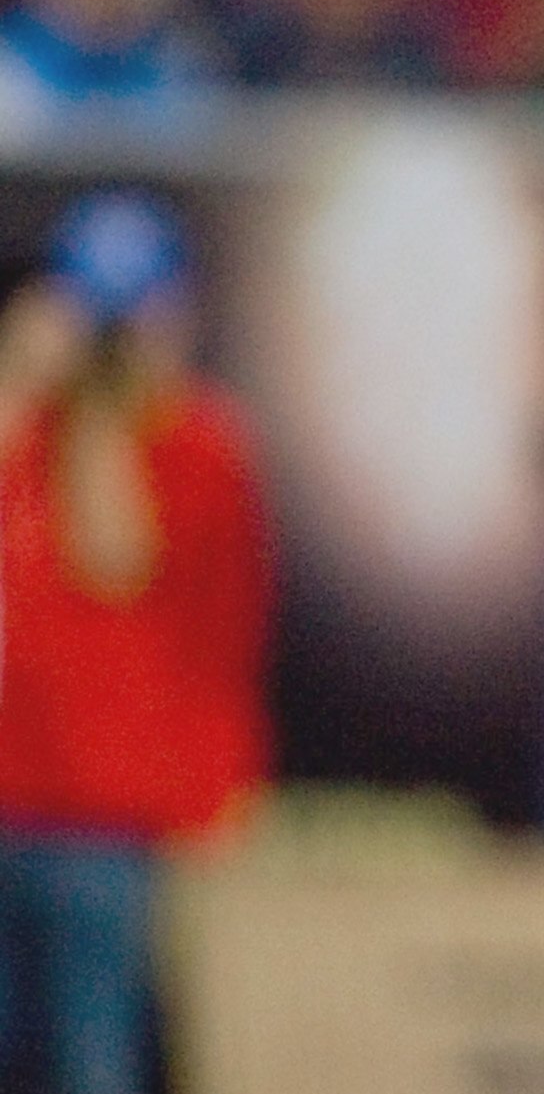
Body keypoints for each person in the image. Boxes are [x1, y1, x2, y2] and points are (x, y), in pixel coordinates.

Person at [0, 191, 272, 1094]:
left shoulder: (198, 441)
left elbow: (117, 557)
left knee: (95, 1061)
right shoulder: (25, 426)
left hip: (108, 818)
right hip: (13, 794)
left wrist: (94, 413)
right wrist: (19, 379)